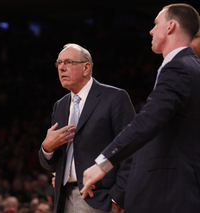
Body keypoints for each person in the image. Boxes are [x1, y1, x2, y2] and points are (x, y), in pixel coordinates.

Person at [80, 4, 200, 213]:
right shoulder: (193, 66)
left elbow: (147, 121)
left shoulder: (178, 68)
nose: (151, 30)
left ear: (171, 26)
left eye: (156, 24)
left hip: (169, 191)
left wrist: (103, 164)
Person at [38, 43, 135, 213]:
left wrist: (117, 199)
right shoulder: (60, 106)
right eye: (59, 63)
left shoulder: (114, 97)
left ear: (86, 67)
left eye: (68, 62)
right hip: (63, 198)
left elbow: (131, 150)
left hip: (100, 199)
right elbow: (51, 164)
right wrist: (47, 148)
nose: (61, 68)